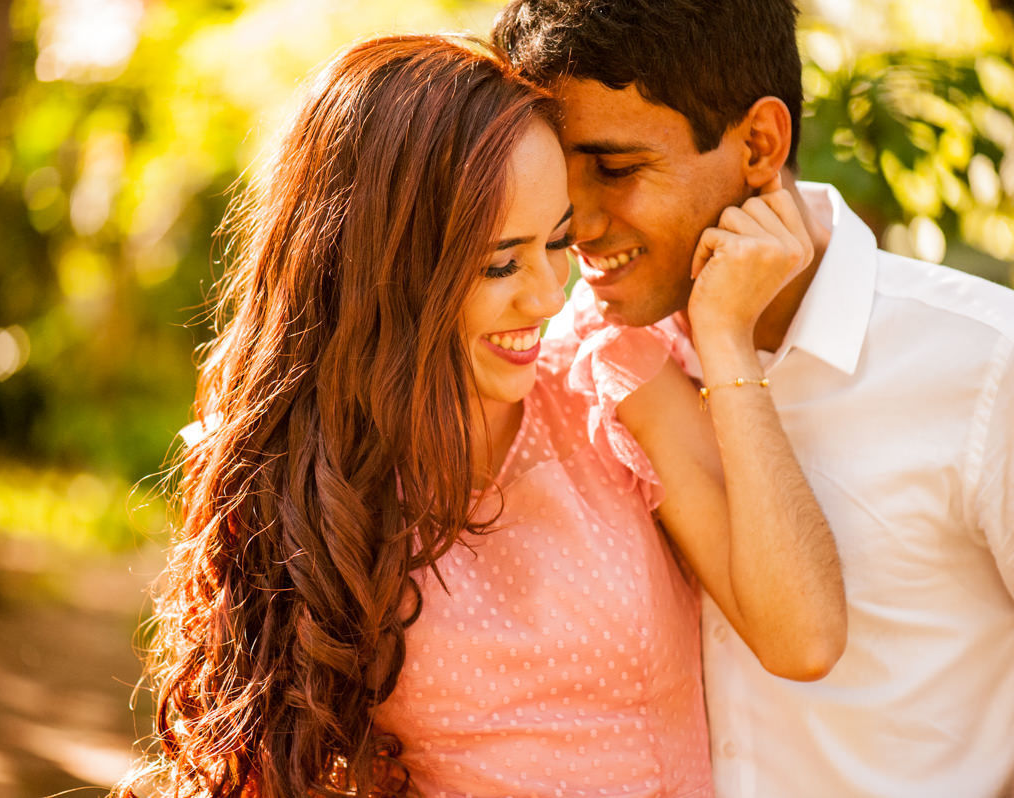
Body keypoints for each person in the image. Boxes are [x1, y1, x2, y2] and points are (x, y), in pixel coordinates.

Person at [114, 34, 845, 798]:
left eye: (557, 242)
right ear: (390, 269)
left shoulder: (611, 376)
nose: (545, 296)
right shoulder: (306, 474)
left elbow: (805, 636)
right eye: (501, 263)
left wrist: (724, 337)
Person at [493, 2, 1014, 796]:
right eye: (560, 174)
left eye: (617, 167)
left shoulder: (986, 364)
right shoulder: (578, 364)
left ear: (760, 144)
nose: (581, 223)